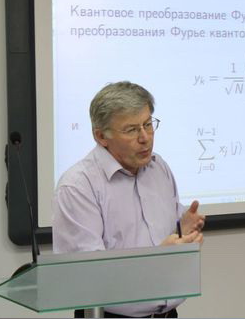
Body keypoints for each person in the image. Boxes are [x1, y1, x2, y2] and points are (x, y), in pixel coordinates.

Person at [53, 81, 205, 318]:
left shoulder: (158, 168)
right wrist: (156, 260)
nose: (145, 137)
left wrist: (182, 230)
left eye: (148, 124)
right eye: (131, 130)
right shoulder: (78, 186)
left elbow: (164, 240)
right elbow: (85, 276)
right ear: (101, 136)